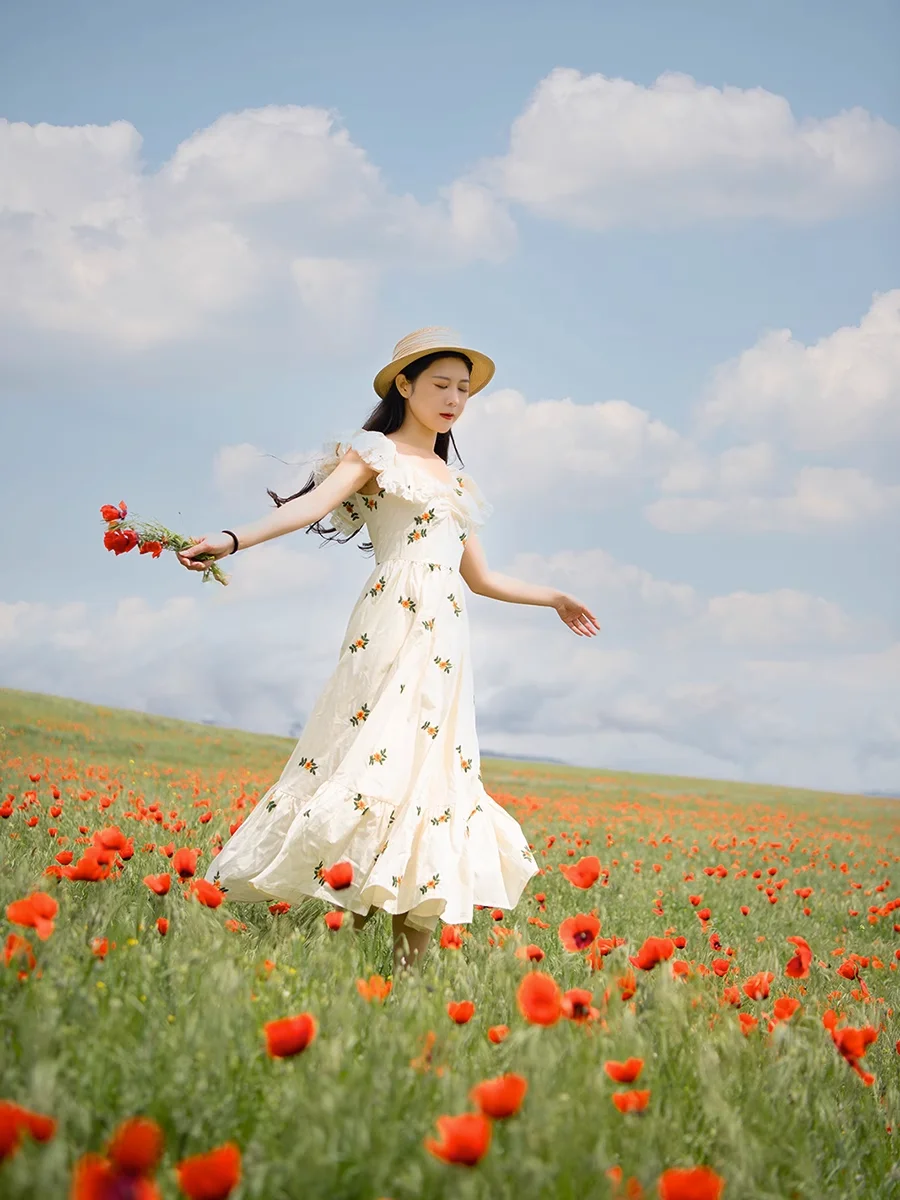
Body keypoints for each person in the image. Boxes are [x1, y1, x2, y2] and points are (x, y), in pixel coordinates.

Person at [177, 326, 600, 976]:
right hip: (391, 621)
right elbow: (310, 506)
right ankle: (340, 919)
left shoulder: (457, 482)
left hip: (446, 636)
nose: (454, 398)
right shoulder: (374, 452)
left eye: (464, 388)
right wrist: (232, 539)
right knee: (375, 758)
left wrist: (553, 596)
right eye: (441, 384)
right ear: (404, 385)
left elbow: (480, 577)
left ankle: (406, 969)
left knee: (431, 773)